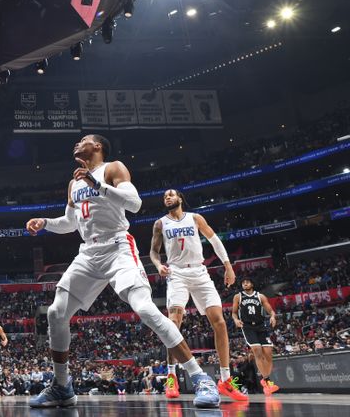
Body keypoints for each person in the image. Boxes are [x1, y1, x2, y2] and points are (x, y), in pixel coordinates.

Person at [25, 134, 220, 408]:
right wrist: (44, 222)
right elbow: (70, 222)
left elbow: (134, 203)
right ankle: (61, 386)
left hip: (118, 246)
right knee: (56, 312)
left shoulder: (114, 167)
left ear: (97, 146)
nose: (76, 143)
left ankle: (200, 378)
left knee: (145, 309)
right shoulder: (73, 182)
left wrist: (97, 184)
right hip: (89, 252)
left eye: (83, 140)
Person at [149, 189, 247, 401]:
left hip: (200, 273)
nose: (167, 197)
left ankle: (225, 379)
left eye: (171, 195)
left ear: (180, 199)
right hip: (176, 274)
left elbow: (214, 240)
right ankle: (172, 376)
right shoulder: (160, 223)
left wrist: (228, 266)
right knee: (173, 323)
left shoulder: (195, 218)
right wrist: (158, 265)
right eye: (165, 196)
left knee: (219, 322)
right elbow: (154, 251)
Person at [232, 277, 279, 395]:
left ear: (252, 283)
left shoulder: (260, 296)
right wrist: (236, 320)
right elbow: (233, 312)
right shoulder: (238, 296)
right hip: (247, 327)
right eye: (243, 282)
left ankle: (265, 378)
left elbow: (271, 310)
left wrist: (273, 317)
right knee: (257, 350)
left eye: (247, 282)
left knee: (268, 353)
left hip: (261, 326)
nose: (245, 284)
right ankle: (267, 381)